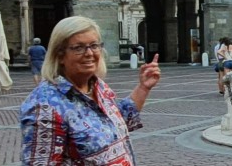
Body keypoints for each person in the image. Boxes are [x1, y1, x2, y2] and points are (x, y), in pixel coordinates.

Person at [19, 16, 162, 165]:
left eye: (94, 45)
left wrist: (143, 87)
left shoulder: (98, 86)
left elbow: (116, 122)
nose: (89, 53)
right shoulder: (44, 105)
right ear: (60, 55)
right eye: (79, 48)